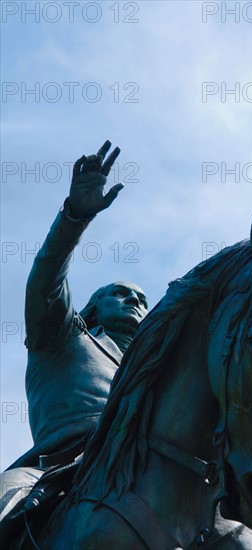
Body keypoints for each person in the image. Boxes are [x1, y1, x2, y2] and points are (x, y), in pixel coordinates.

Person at [0, 140, 148, 520]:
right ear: (96, 305)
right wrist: (74, 218)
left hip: (145, 473)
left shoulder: (155, 368)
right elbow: (45, 283)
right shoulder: (64, 338)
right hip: (55, 470)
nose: (133, 300)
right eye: (120, 293)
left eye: (142, 299)